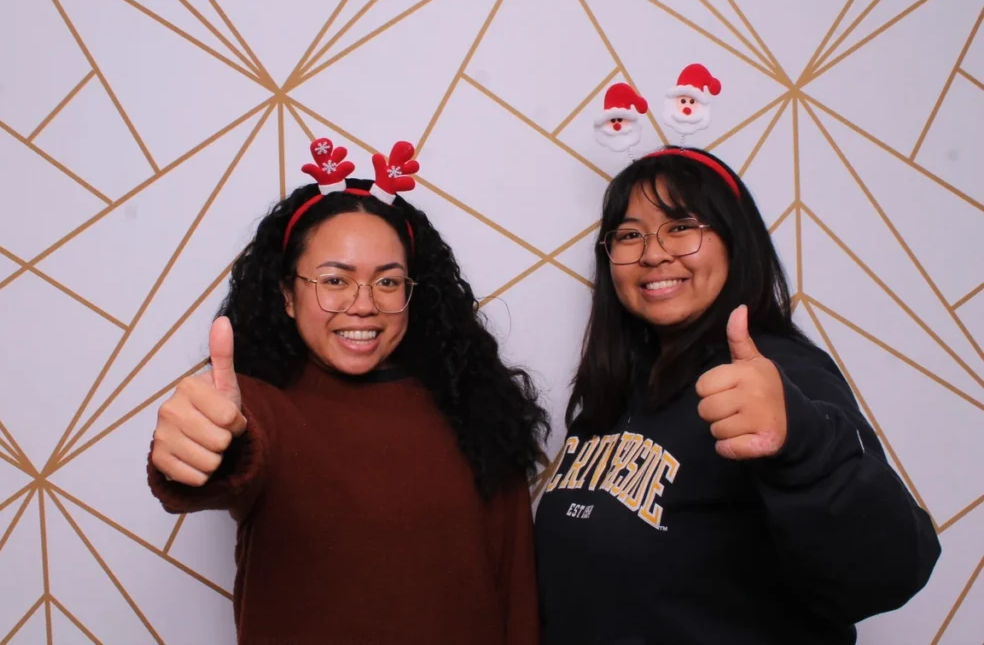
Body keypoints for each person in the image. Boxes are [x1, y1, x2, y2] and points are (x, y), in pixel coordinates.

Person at [145, 137, 549, 644]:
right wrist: (197, 447)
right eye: (334, 280)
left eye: (387, 282)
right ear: (288, 296)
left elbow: (516, 599)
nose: (363, 305)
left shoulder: (479, 411)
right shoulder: (261, 407)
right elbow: (228, 456)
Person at [533, 146, 941, 645]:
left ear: (733, 239)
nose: (654, 252)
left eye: (682, 225)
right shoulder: (612, 392)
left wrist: (803, 444)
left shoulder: (776, 371)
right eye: (629, 234)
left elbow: (893, 571)